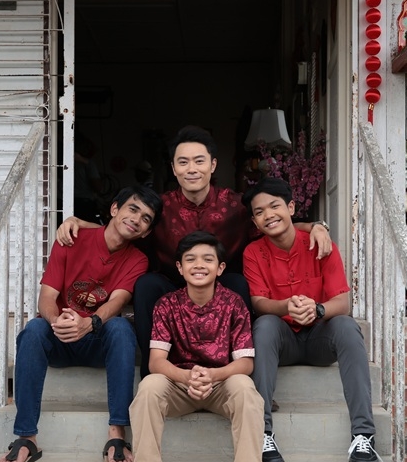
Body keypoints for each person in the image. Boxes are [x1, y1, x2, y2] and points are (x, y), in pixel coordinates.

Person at [58, 125, 333, 375]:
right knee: (146, 284)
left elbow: (273, 222)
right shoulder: (161, 207)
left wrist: (315, 226)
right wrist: (80, 223)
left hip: (220, 285)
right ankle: (153, 374)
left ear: (213, 165)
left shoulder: (236, 205)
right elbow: (124, 227)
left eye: (199, 161)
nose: (192, 169)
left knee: (239, 282)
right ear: (173, 168)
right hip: (172, 284)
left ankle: (237, 372)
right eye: (183, 162)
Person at [0, 185, 162, 462]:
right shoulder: (71, 240)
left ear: (146, 232)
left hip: (96, 340)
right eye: (132, 209)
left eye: (146, 218)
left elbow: (117, 301)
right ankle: (26, 438)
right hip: (60, 336)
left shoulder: (138, 260)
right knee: (33, 329)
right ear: (114, 209)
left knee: (121, 328)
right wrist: (57, 322)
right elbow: (47, 297)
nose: (136, 219)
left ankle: (117, 434)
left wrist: (90, 323)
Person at [129, 230, 267, 462]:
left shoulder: (234, 304)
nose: (199, 265)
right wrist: (186, 377)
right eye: (190, 259)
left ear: (220, 268)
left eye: (208, 259)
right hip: (180, 386)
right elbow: (156, 361)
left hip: (221, 385)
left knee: (245, 388)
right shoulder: (166, 305)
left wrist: (213, 376)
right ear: (179, 268)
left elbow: (246, 363)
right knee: (149, 387)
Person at [241, 177, 380, 462]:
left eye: (275, 206)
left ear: (291, 208)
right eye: (259, 212)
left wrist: (317, 310)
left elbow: (342, 302)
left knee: (346, 326)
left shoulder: (321, 244)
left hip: (319, 339)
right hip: (283, 342)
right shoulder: (253, 252)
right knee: (264, 325)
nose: (269, 215)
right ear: (254, 221)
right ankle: (262, 434)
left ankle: (363, 436)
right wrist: (286, 307)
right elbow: (258, 302)